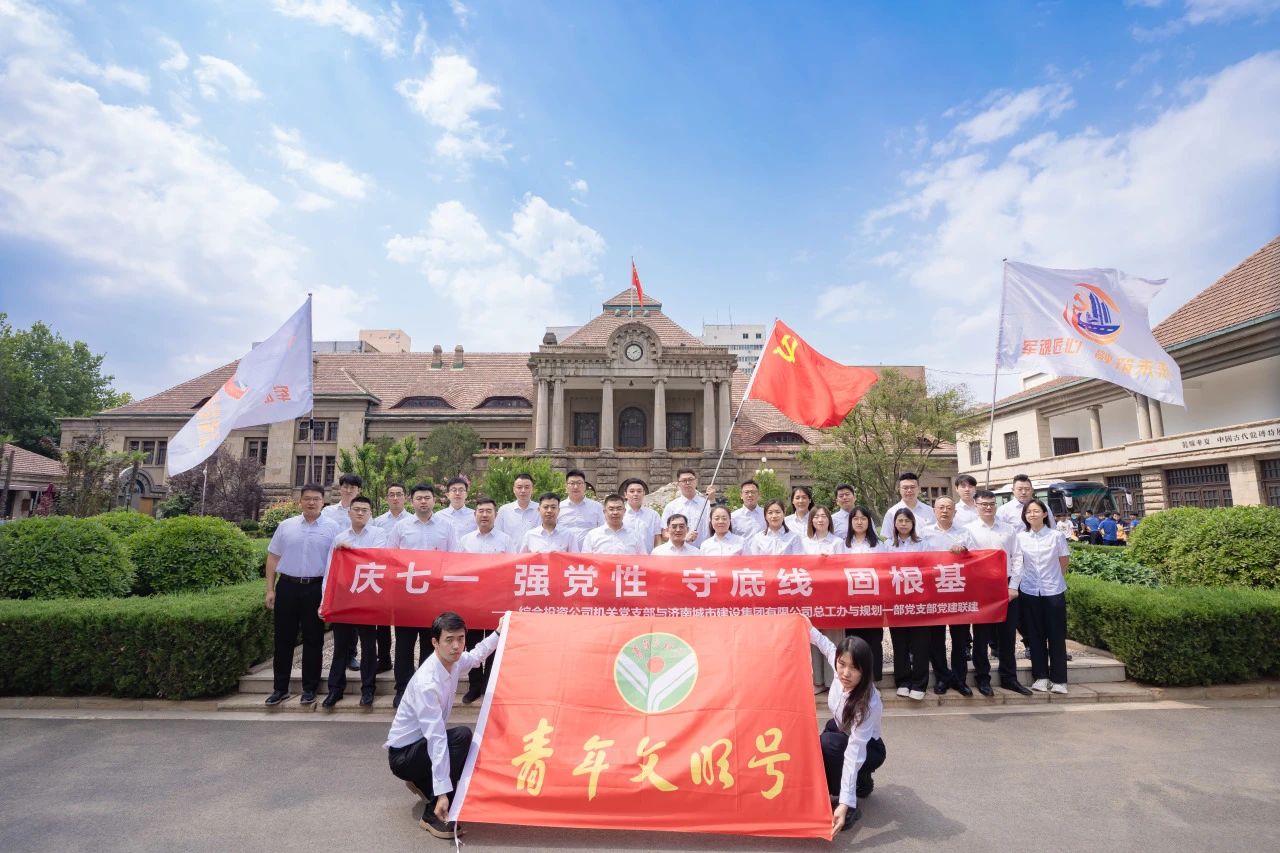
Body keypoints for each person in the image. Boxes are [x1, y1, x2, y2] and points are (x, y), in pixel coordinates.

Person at [385, 610, 510, 840]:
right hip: (404, 756)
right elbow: (437, 739)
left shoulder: (453, 661)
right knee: (460, 738)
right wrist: (443, 794)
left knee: (460, 743)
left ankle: (423, 781)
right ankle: (432, 814)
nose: (456, 646)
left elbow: (476, 656)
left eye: (461, 639)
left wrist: (498, 633)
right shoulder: (427, 683)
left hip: (419, 747)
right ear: (435, 642)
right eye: (449, 640)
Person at [263, 483, 341, 706]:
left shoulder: (333, 528)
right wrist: (270, 589)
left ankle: (309, 689)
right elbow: (273, 558)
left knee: (313, 639)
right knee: (283, 639)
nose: (311, 502)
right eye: (307, 498)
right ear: (300, 501)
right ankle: (280, 689)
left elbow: (338, 562)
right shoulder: (286, 526)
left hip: (315, 589)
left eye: (316, 499)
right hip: (287, 587)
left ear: (323, 502)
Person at [386, 483, 460, 708]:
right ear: (412, 501)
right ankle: (403, 691)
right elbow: (390, 558)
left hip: (435, 598)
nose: (423, 501)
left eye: (427, 497)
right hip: (407, 598)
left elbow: (455, 558)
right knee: (404, 646)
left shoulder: (446, 527)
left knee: (431, 646)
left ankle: (428, 690)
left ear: (434, 500)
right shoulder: (401, 527)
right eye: (419, 498)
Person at [808, 629, 885, 833]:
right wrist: (802, 625)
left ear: (865, 670)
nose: (845, 673)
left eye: (854, 667)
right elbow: (825, 645)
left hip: (870, 748)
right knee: (825, 736)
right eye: (842, 664)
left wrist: (844, 802)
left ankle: (850, 806)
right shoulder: (839, 671)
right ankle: (860, 781)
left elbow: (854, 752)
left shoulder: (868, 703)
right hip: (843, 729)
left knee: (829, 745)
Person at [965, 490, 1030, 696]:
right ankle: (983, 678)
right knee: (981, 635)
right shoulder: (968, 530)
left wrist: (1014, 586)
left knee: (1007, 635)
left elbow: (1017, 557)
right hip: (982, 587)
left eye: (991, 504)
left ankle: (1009, 678)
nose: (988, 507)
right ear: (976, 505)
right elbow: (965, 560)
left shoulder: (1008, 530)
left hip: (1007, 585)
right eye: (983, 504)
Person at [323, 495, 386, 708]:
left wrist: (349, 552)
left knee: (368, 646)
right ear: (349, 512)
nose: (360, 513)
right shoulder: (339, 538)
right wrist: (325, 600)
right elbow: (330, 570)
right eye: (356, 509)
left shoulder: (379, 534)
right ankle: (335, 690)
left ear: (370, 514)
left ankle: (368, 690)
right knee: (341, 645)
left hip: (368, 598)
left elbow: (376, 558)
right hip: (343, 598)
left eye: (364, 510)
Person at [456, 497, 513, 704]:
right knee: (472, 642)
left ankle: (489, 684)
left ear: (495, 515)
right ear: (475, 514)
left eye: (489, 511)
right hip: (471, 600)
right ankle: (474, 685)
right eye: (481, 511)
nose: (485, 515)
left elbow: (512, 568)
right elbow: (458, 568)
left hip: (496, 599)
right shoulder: (465, 540)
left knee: (493, 641)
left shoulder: (506, 540)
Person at [1014, 499, 1070, 694]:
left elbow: (1064, 561)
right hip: (1029, 590)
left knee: (1056, 635)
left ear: (1045, 514)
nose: (1032, 514)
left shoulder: (1056, 536)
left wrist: (1054, 578)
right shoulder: (1020, 537)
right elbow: (1018, 563)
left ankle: (1059, 680)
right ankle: (1040, 677)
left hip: (1053, 590)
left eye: (1036, 511)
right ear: (1025, 516)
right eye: (1028, 512)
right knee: (1035, 635)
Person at [922, 497, 975, 697]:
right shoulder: (924, 533)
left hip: (958, 592)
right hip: (933, 592)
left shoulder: (964, 533)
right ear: (934, 511)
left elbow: (976, 559)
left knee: (960, 639)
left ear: (955, 512)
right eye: (941, 507)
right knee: (935, 639)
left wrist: (964, 551)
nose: (945, 511)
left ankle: (960, 679)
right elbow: (918, 559)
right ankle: (942, 677)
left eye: (949, 508)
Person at [884, 508, 929, 701]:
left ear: (913, 524)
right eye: (900, 520)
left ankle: (919, 683)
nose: (903, 524)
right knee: (899, 642)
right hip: (896, 600)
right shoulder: (887, 545)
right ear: (894, 524)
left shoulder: (923, 544)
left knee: (920, 642)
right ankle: (903, 681)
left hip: (918, 599)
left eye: (907, 521)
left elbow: (930, 569)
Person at [804, 505, 846, 693]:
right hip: (810, 595)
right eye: (816, 516)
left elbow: (844, 567)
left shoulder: (837, 542)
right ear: (811, 520)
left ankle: (833, 679)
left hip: (832, 595)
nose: (820, 520)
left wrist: (830, 561)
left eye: (824, 516)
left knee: (833, 636)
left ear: (829, 520)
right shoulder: (804, 542)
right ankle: (817, 680)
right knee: (813, 636)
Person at [843, 507, 885, 683]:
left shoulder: (879, 545)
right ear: (850, 522)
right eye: (855, 519)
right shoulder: (843, 545)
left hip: (873, 599)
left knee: (874, 639)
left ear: (869, 521)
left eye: (863, 518)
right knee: (853, 641)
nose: (859, 522)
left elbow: (885, 570)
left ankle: (873, 680)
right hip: (850, 600)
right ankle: (855, 679)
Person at [581, 494, 645, 554]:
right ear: (604, 512)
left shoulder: (635, 536)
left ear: (624, 511)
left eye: (619, 509)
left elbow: (643, 559)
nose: (615, 512)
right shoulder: (592, 535)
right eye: (611, 509)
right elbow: (585, 560)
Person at [880, 472, 937, 540]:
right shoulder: (891, 512)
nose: (909, 490)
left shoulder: (930, 511)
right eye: (905, 488)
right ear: (899, 490)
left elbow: (936, 535)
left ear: (918, 489)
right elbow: (887, 538)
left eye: (912, 487)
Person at [662, 468, 713, 543]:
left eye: (690, 479)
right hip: (680, 549)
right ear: (678, 484)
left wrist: (713, 500)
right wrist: (682, 539)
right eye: (684, 480)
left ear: (696, 481)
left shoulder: (707, 504)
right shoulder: (671, 507)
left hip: (704, 549)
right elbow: (664, 534)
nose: (688, 483)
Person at [557, 470, 604, 547]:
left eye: (579, 483)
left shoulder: (597, 507)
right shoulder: (558, 507)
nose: (576, 487)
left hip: (589, 551)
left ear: (584, 486)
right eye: (572, 483)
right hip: (564, 551)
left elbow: (602, 530)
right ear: (566, 486)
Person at [495, 472, 540, 545]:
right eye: (519, 487)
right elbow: (497, 534)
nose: (523, 490)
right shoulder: (504, 510)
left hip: (533, 551)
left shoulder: (540, 510)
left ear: (532, 489)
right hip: (509, 552)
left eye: (527, 487)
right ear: (514, 489)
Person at [620, 478, 663, 553]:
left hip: (647, 557)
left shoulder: (653, 515)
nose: (635, 494)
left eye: (639, 491)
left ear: (644, 494)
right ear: (625, 494)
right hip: (624, 557)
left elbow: (657, 540)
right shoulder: (619, 514)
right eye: (632, 491)